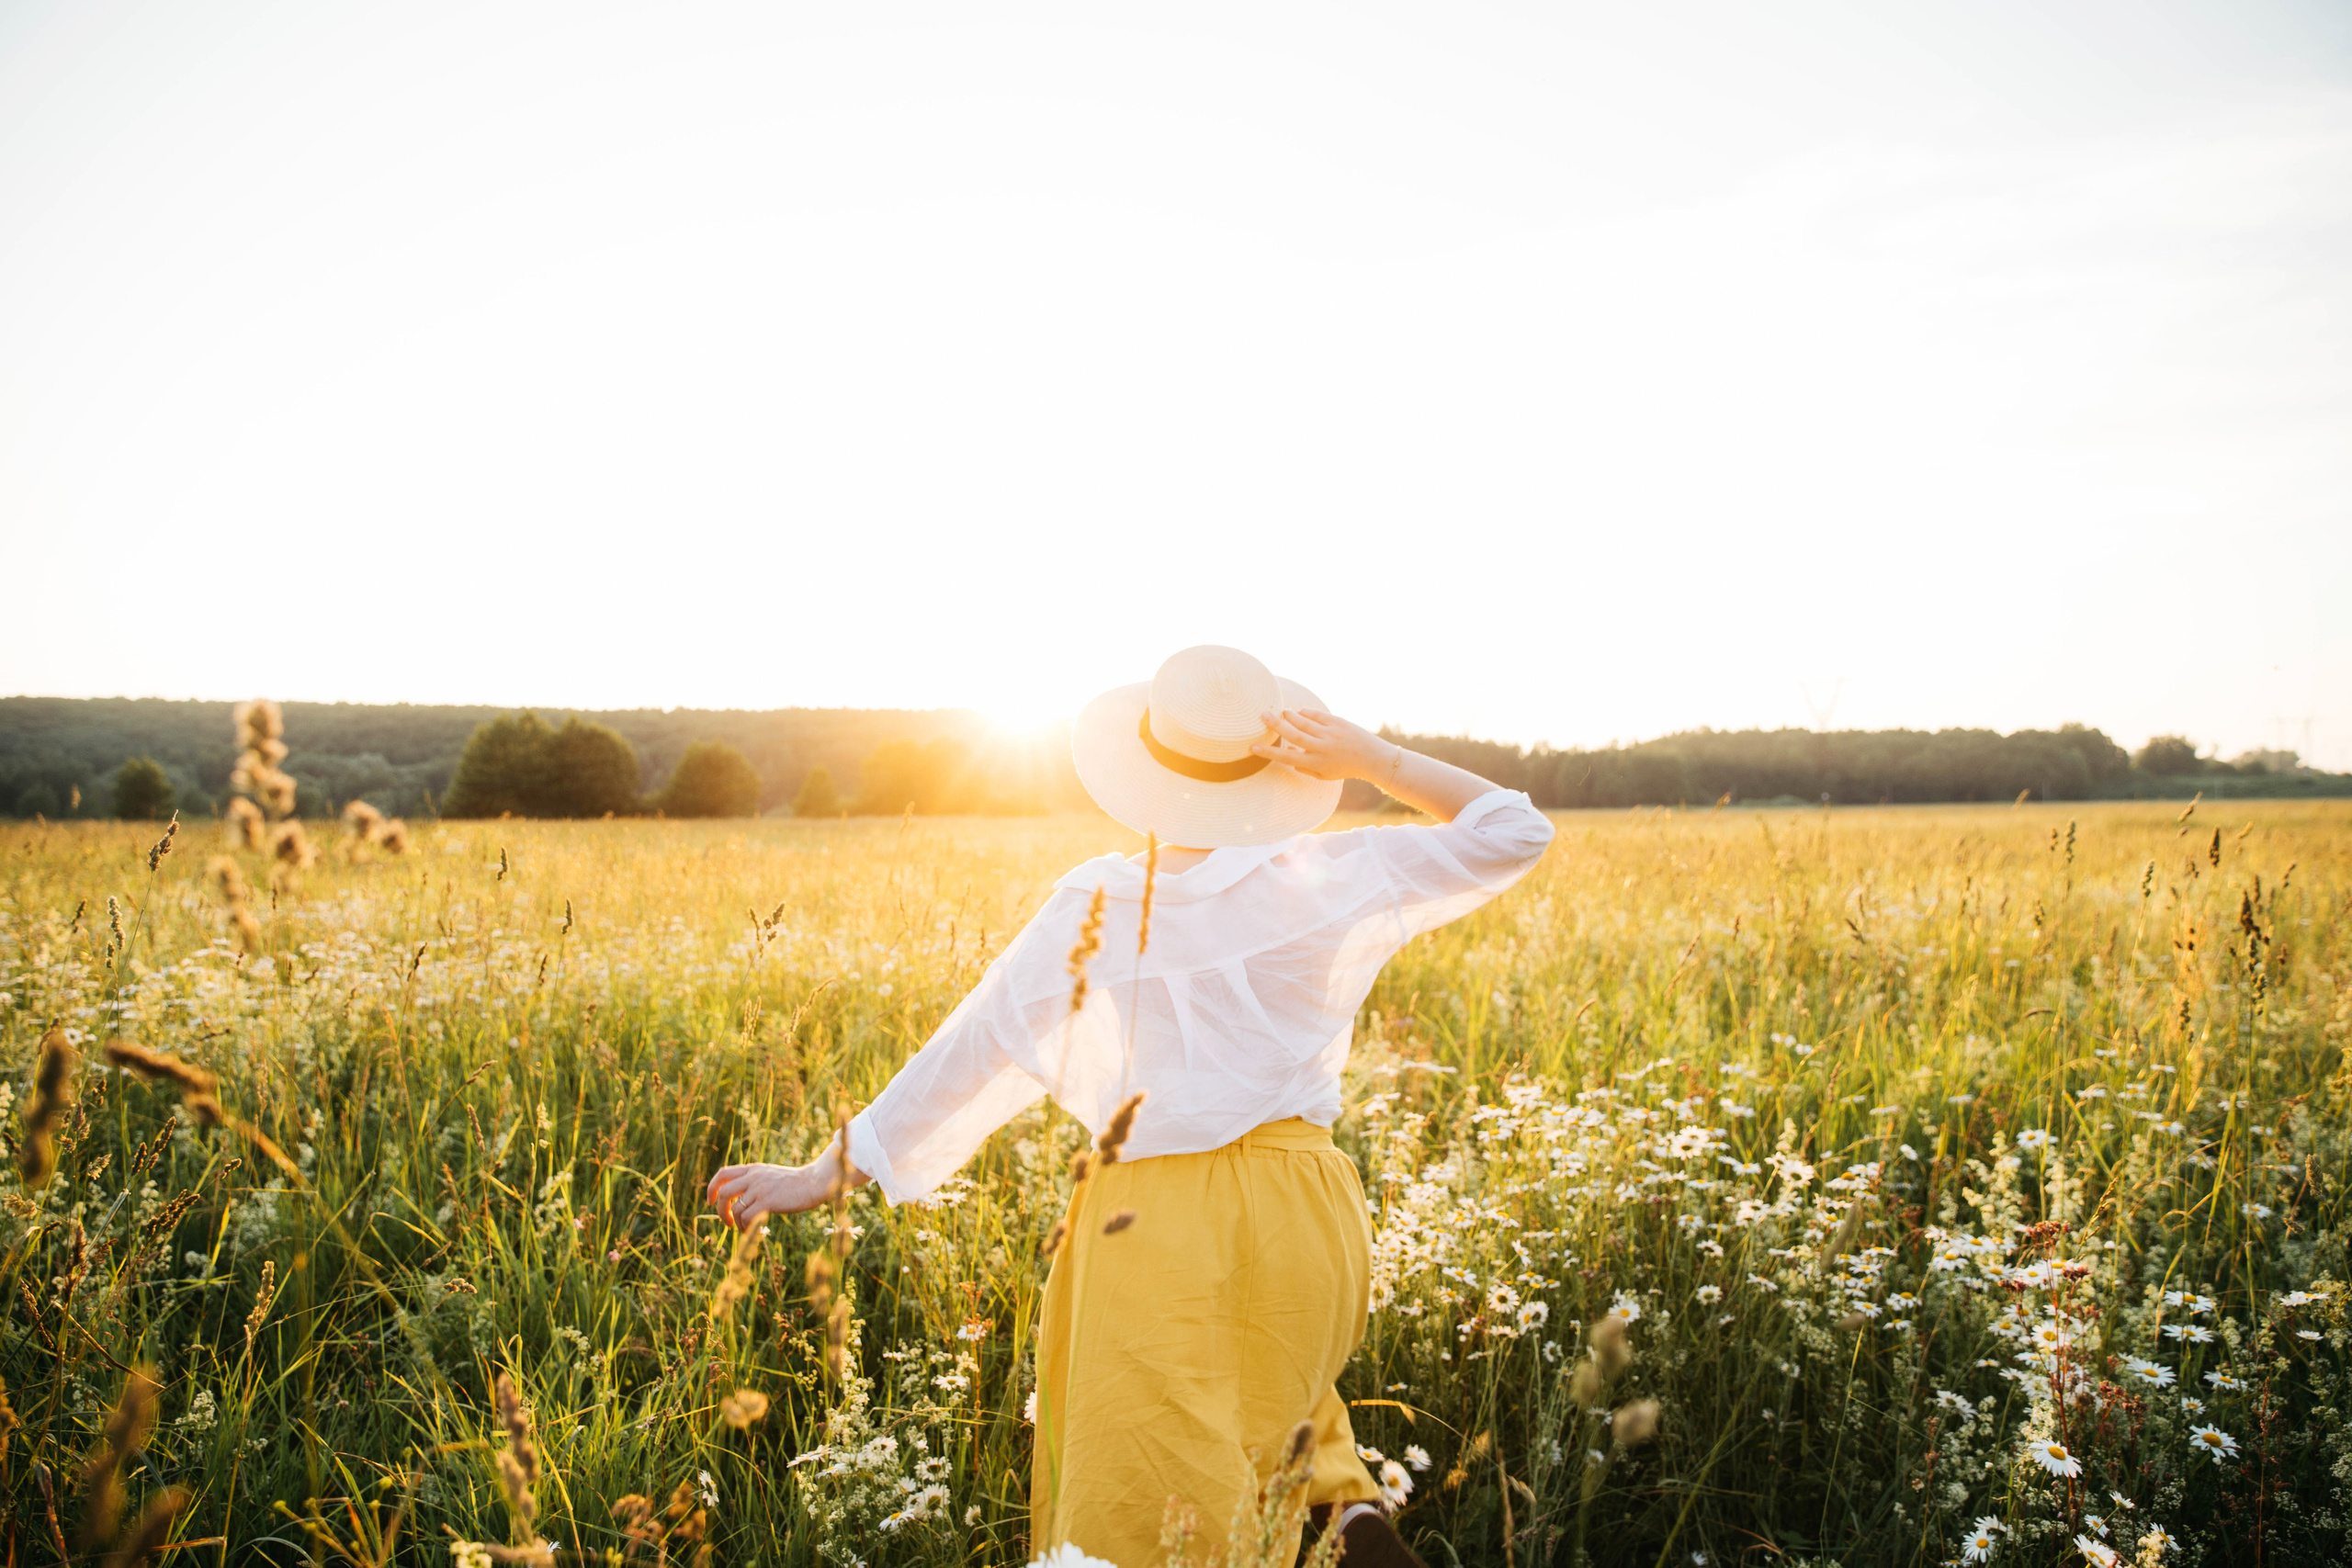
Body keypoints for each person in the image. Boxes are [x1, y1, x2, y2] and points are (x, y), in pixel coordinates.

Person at [707, 646, 1555, 1568]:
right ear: (1277, 772)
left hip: (1149, 1225)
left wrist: (826, 1171)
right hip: (1306, 1210)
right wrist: (1373, 760)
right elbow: (1513, 829)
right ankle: (1346, 1527)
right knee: (1290, 1446)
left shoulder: (1096, 904)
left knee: (1154, 1496)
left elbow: (972, 1050)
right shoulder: (1330, 873)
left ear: (1144, 769)